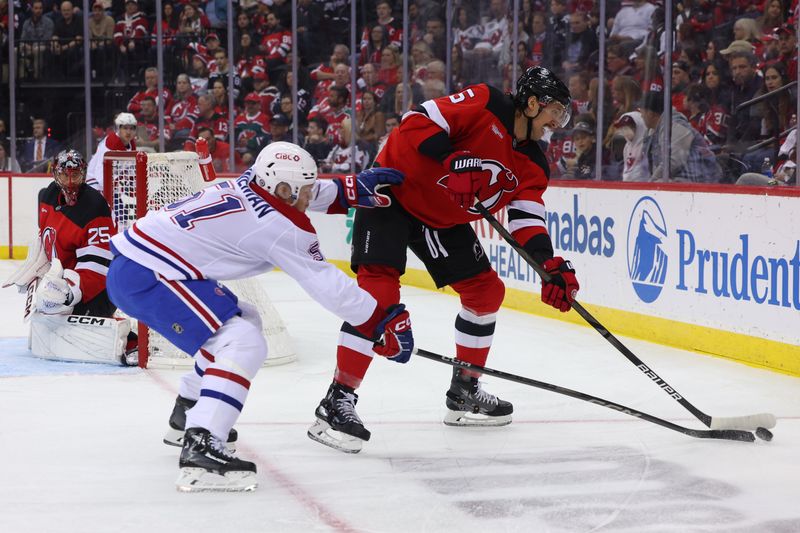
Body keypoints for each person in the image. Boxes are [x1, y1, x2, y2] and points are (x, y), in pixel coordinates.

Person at [105, 142, 411, 491]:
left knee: (244, 322)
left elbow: (295, 190)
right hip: (150, 275)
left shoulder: (255, 180)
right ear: (282, 190)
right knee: (242, 342)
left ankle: (187, 413)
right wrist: (379, 322)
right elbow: (326, 284)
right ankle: (202, 441)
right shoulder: (281, 227)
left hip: (140, 266)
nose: (309, 196)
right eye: (305, 190)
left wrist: (348, 190)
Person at [307, 66, 581, 453]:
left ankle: (465, 388)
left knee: (486, 292)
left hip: (442, 217)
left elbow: (526, 216)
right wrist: (454, 159)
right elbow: (416, 122)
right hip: (392, 191)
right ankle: (337, 399)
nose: (559, 121)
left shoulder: (534, 162)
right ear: (532, 103)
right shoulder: (487, 102)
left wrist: (548, 266)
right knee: (378, 296)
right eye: (556, 110)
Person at [3, 150, 137, 365]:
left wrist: (69, 293)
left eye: (76, 175)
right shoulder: (47, 195)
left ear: (84, 174)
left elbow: (99, 265)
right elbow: (48, 238)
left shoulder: (94, 206)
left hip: (98, 292)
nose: (71, 181)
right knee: (45, 326)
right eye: (65, 175)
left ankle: (130, 341)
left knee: (63, 326)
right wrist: (39, 268)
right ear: (56, 174)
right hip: (62, 283)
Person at [640, 91, 723, 183]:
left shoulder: (675, 126)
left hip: (700, 181)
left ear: (651, 113)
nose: (641, 116)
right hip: (680, 181)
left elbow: (672, 162)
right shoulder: (653, 131)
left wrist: (649, 184)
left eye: (642, 112)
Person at [86, 112, 137, 195]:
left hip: (113, 183)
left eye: (131, 128)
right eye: (125, 128)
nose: (128, 132)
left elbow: (129, 168)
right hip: (95, 181)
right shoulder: (112, 143)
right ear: (118, 129)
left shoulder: (131, 143)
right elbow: (100, 173)